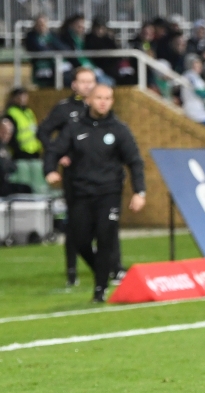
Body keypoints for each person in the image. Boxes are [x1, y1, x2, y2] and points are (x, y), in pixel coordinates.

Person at [43, 85, 146, 302]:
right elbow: (54, 150)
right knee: (80, 241)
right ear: (89, 100)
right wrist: (50, 170)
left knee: (105, 238)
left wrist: (139, 191)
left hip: (109, 193)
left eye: (107, 98)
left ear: (112, 101)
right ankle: (103, 271)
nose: (103, 102)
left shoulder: (119, 129)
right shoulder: (75, 127)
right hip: (81, 193)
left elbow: (135, 161)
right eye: (99, 97)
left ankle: (100, 290)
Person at [38, 67, 97, 287]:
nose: (88, 85)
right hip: (74, 174)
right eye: (83, 81)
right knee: (75, 223)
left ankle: (112, 267)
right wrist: (57, 154)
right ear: (74, 85)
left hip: (99, 173)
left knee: (104, 223)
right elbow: (43, 131)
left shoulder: (99, 108)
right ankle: (72, 271)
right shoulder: (64, 109)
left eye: (91, 81)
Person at [3, 88, 43, 160]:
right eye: (20, 96)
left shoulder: (28, 112)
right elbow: (10, 136)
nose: (23, 99)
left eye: (25, 96)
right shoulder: (11, 113)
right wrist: (17, 151)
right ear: (14, 98)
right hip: (20, 155)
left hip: (34, 152)